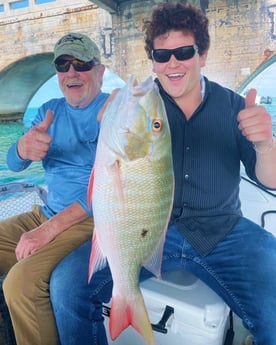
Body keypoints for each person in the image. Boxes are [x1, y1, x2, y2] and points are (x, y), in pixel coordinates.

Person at [50, 3, 276, 345]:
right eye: (162, 54)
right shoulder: (140, 105)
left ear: (202, 55)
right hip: (148, 231)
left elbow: (270, 180)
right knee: (67, 286)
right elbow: (99, 155)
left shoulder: (234, 107)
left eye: (184, 52)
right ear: (152, 60)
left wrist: (264, 145)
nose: (173, 63)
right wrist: (107, 121)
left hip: (224, 231)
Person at [0, 32, 109, 345]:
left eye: (82, 63)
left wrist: (45, 232)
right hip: (47, 212)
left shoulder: (113, 111)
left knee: (20, 285)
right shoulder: (49, 109)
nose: (72, 71)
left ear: (100, 71)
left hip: (90, 222)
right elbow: (14, 165)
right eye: (63, 64)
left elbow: (106, 190)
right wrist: (22, 148)